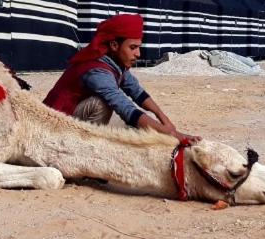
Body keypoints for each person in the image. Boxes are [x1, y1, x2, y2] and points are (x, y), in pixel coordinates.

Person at [44, 13, 199, 143]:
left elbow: (136, 92)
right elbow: (123, 106)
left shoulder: (116, 63)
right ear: (114, 45)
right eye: (133, 48)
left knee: (134, 130)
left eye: (139, 47)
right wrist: (173, 135)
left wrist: (165, 120)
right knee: (102, 105)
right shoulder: (96, 70)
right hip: (57, 125)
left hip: (76, 117)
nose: (138, 54)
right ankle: (81, 149)